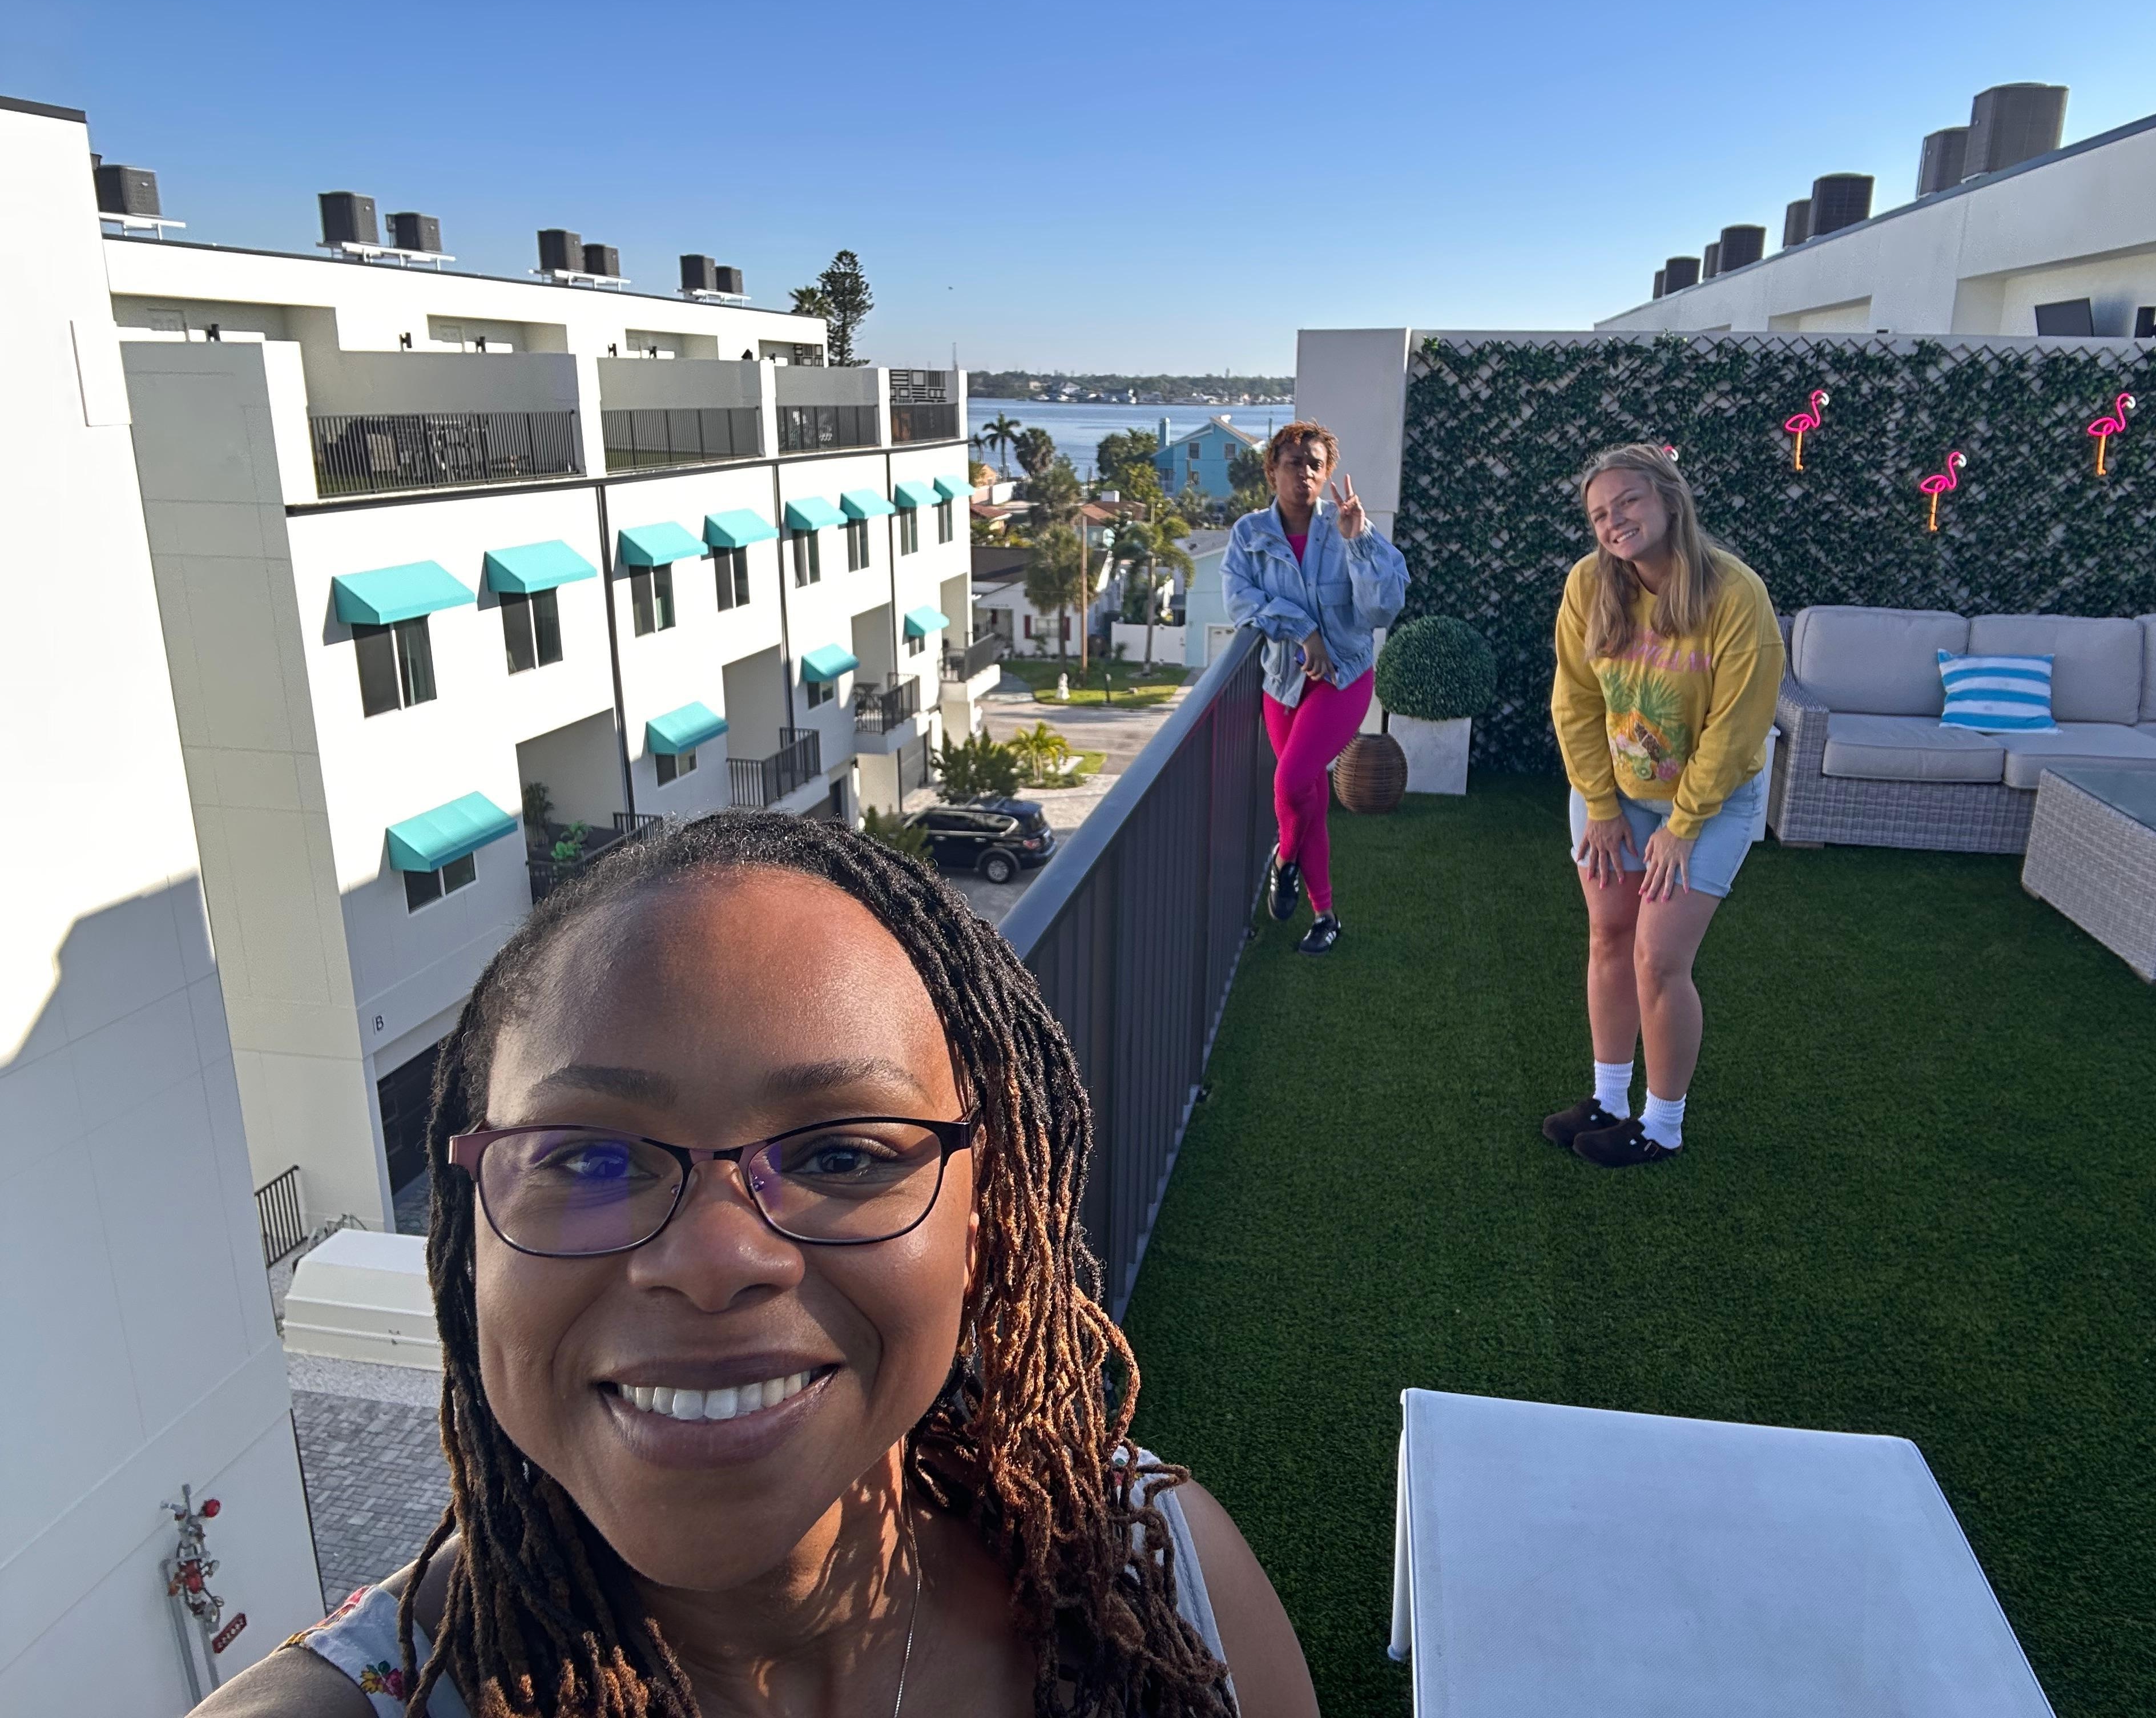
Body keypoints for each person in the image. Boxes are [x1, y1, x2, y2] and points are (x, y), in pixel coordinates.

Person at [196, 812, 1317, 1717]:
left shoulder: (1164, 1579)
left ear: (980, 1229)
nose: (717, 1258)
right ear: (468, 1245)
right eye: (587, 1156)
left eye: (840, 1151)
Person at [1542, 444, 1783, 1168]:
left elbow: (1740, 725)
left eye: (1629, 502)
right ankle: (1609, 1100)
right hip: (1615, 795)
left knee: (1658, 958)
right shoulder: (1590, 585)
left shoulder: (1736, 594)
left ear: (1670, 500)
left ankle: (1663, 1124)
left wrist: (1682, 826)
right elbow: (1575, 701)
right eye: (1600, 514)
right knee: (1609, 939)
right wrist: (1601, 804)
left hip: (1710, 805)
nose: (1615, 522)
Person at [1220, 421, 1408, 955]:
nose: (1302, 472)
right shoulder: (1249, 534)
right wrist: (1303, 631)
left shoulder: (1348, 526)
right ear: (1271, 471)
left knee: (1291, 779)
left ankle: (1284, 865)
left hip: (1344, 676)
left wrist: (1360, 542)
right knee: (1309, 799)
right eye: (1292, 462)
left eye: (1314, 464)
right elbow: (1240, 603)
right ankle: (1325, 916)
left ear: (1327, 473)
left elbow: (1380, 609)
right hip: (1284, 682)